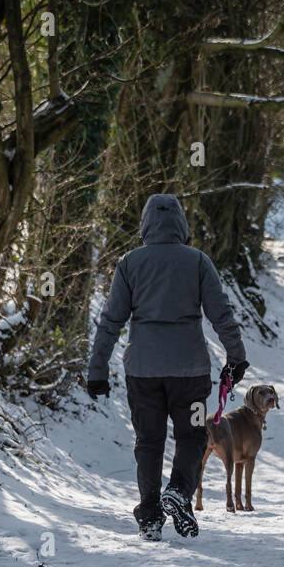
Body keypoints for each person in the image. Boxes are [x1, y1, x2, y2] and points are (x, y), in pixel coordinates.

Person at [86, 193, 248, 541]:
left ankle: (150, 516)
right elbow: (221, 314)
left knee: (149, 440)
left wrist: (97, 369)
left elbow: (110, 320)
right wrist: (236, 356)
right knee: (192, 434)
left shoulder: (130, 263)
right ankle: (178, 490)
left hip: (143, 373)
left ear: (145, 224)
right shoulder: (198, 261)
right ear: (181, 224)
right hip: (189, 374)